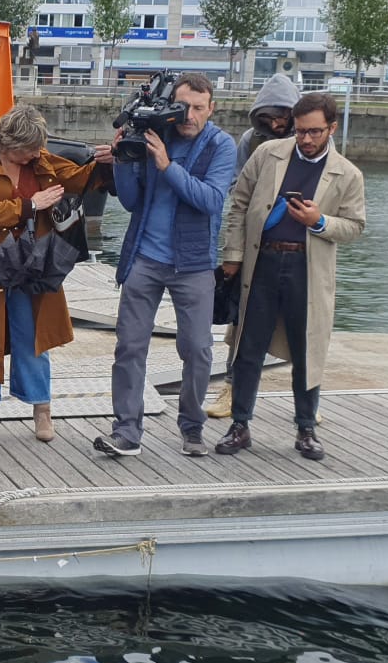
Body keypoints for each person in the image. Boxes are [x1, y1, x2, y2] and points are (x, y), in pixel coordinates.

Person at [214, 92, 366, 460]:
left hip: (307, 269)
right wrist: (232, 255)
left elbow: (356, 226)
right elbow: (239, 202)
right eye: (300, 132)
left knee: (307, 350)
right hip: (262, 263)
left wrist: (320, 222)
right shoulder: (267, 154)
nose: (307, 139)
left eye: (315, 132)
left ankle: (306, 428)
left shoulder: (347, 174)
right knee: (248, 347)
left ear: (332, 128)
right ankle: (240, 425)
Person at [94, 73, 239, 459]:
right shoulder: (156, 134)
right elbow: (130, 202)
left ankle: (191, 428)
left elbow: (210, 201)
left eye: (197, 107)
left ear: (212, 108)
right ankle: (126, 430)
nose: (189, 115)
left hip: (193, 264)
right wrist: (124, 158)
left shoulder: (222, 146)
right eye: (183, 106)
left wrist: (166, 164)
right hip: (145, 257)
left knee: (197, 349)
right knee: (129, 347)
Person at [0, 104, 99, 444]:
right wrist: (31, 205)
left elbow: (77, 178)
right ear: (9, 144)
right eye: (31, 149)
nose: (38, 154)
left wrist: (105, 164)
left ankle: (42, 408)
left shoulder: (40, 160)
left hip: (34, 263)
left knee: (33, 335)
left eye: (39, 148)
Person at [207, 74, 295, 419]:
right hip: (258, 240)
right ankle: (232, 389)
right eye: (268, 117)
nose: (276, 123)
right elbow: (237, 188)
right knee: (242, 324)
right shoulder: (251, 140)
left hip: (297, 242)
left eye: (282, 116)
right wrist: (234, 254)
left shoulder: (310, 138)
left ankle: (305, 399)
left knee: (302, 327)